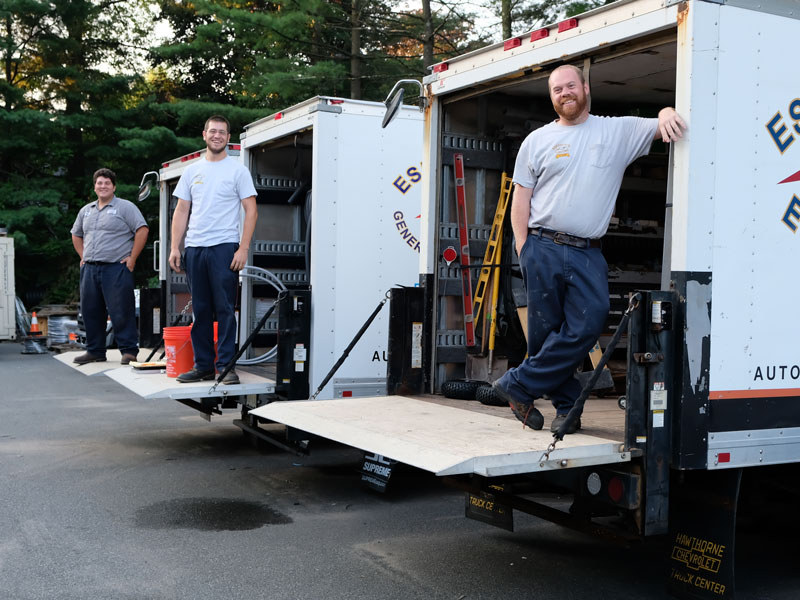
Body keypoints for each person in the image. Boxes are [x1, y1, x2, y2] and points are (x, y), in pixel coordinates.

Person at [492, 64, 686, 434]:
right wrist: (524, 250)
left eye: (570, 86)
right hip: (542, 246)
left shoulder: (615, 131)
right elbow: (521, 201)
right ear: (552, 97)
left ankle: (518, 384)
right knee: (545, 336)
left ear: (585, 87)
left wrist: (665, 111)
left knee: (590, 321)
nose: (564, 93)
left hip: (587, 251)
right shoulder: (537, 141)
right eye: (556, 90)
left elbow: (659, 125)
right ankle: (567, 408)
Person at [168, 115, 257, 385]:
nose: (217, 136)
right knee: (201, 311)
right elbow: (182, 210)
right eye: (213, 131)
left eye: (222, 132)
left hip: (224, 248)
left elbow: (251, 209)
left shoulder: (238, 170)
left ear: (228, 138)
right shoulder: (192, 171)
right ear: (204, 135)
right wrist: (175, 247)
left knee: (225, 309)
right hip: (195, 249)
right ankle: (203, 366)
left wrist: (243, 248)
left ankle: (227, 367)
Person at [71, 168, 149, 365]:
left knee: (121, 310)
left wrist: (132, 258)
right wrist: (82, 256)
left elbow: (142, 229)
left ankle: (129, 351)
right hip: (89, 269)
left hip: (116, 268)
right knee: (91, 311)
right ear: (95, 186)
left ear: (114, 186)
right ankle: (95, 351)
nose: (103, 186)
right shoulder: (86, 211)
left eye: (107, 183)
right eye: (99, 183)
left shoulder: (125, 207)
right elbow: (76, 233)